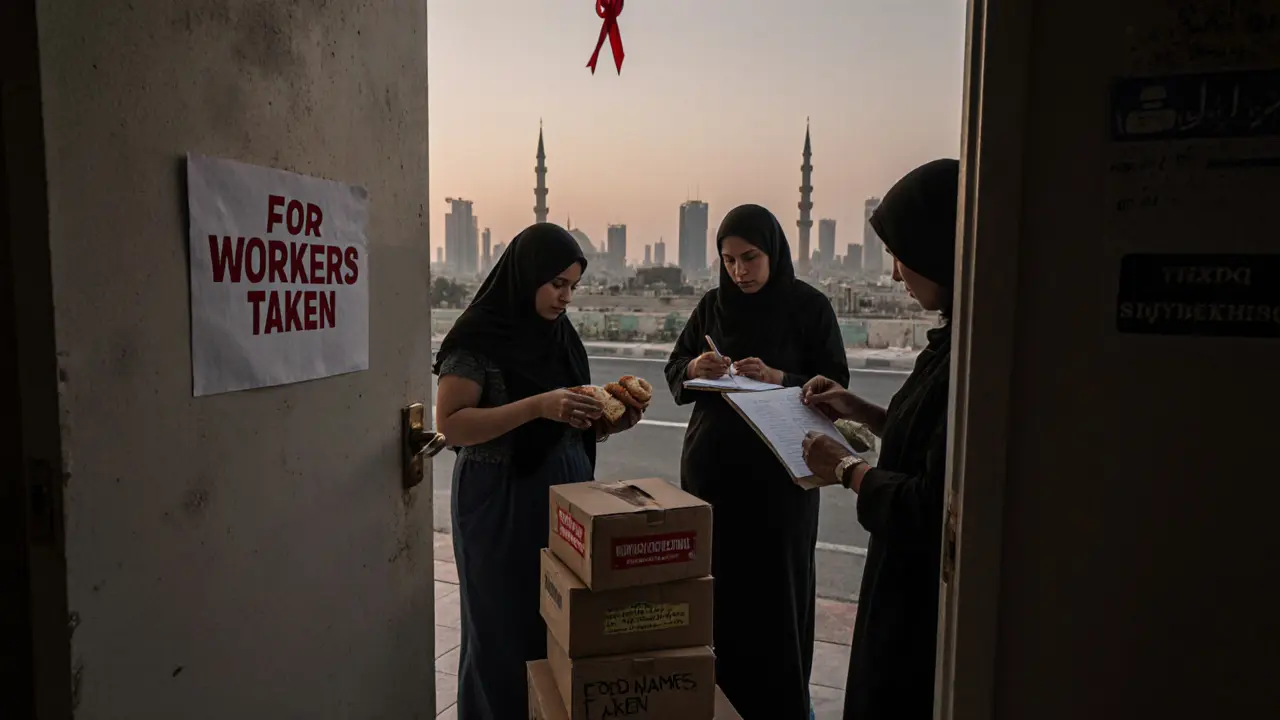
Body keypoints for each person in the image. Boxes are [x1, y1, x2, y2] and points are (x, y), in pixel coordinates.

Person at [433, 223, 642, 719]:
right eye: (556, 285)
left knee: (553, 629)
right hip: (499, 501)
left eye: (572, 286)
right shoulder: (479, 336)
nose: (565, 297)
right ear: (526, 276)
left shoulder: (559, 337)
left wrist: (609, 420)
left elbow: (563, 421)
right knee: (501, 633)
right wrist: (537, 407)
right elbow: (452, 425)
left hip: (561, 495)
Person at [663, 204, 850, 718]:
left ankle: (784, 705)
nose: (739, 272)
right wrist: (695, 366)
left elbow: (836, 384)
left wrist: (780, 378)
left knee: (777, 599)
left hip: (781, 482)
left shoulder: (808, 308)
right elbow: (675, 369)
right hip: (715, 478)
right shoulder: (711, 307)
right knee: (719, 597)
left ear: (774, 252)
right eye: (728, 261)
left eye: (749, 258)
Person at [798, 158, 960, 720]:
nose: (894, 275)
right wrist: (860, 409)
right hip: (900, 582)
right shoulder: (953, 344)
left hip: (921, 599)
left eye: (901, 255)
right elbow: (935, 438)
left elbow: (929, 501)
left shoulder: (976, 358)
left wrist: (844, 468)